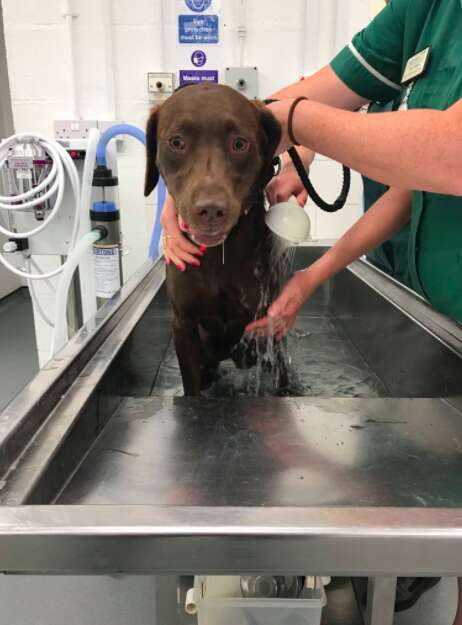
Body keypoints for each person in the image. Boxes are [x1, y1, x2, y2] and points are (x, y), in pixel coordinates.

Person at [160, 1, 462, 619]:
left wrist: (299, 126)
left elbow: (448, 155)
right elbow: (289, 105)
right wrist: (189, 185)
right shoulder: (420, 10)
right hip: (426, 295)